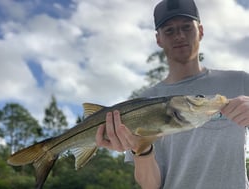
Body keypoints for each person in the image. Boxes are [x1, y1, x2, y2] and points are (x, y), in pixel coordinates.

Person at [95, 0, 249, 188]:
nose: (179, 36)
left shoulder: (240, 82)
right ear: (158, 38)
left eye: (186, 27)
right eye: (169, 30)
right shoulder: (141, 103)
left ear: (200, 31)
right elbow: (150, 185)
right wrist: (142, 150)